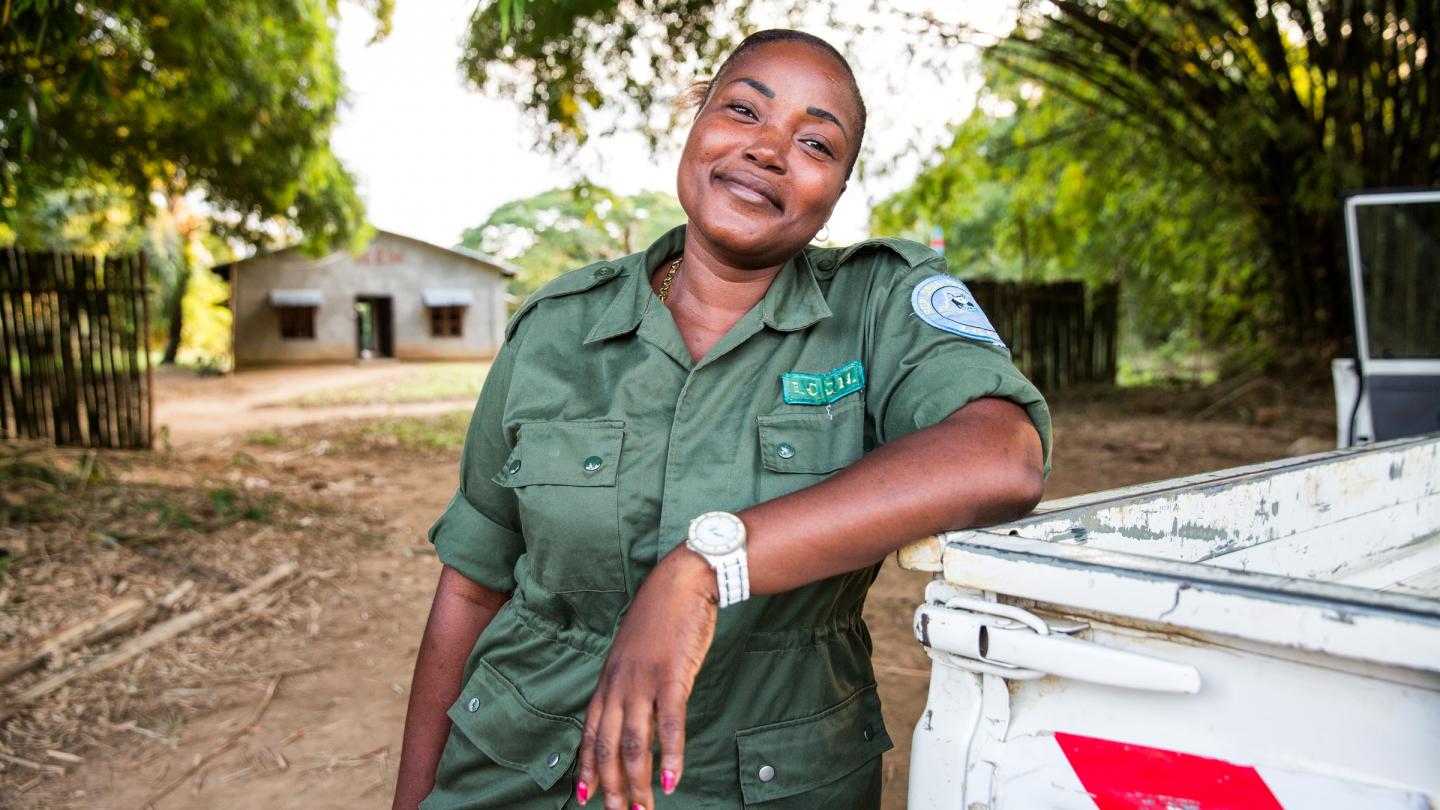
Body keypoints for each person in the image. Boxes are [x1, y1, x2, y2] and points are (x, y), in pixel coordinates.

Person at [393, 28, 1050, 810]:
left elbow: (1002, 456)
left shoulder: (875, 306)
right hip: (514, 770)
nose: (769, 150)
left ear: (838, 190)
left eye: (815, 142)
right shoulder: (555, 328)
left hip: (766, 784)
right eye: (743, 110)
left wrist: (706, 567)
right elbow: (471, 588)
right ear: (696, 123)